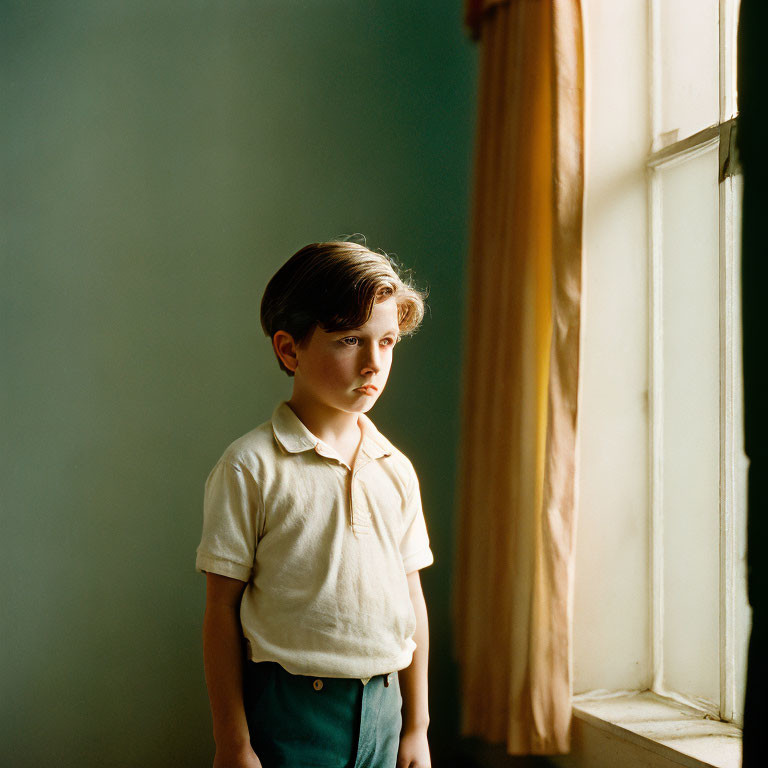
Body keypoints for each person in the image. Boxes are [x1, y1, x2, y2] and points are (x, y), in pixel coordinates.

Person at [196, 240, 435, 768]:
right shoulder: (250, 467)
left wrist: (415, 727)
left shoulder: (395, 468)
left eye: (388, 341)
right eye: (350, 340)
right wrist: (233, 743)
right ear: (289, 349)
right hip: (292, 713)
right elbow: (221, 611)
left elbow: (412, 600)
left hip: (384, 708)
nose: (374, 363)